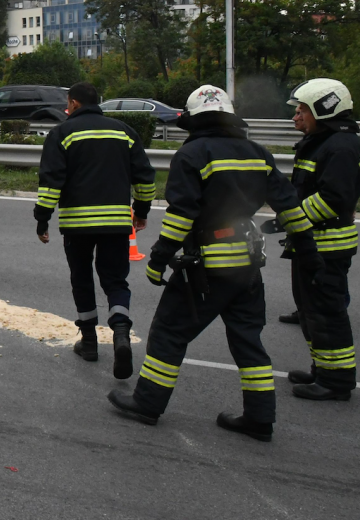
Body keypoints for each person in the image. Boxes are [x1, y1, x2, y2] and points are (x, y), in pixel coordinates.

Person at [108, 85, 322, 442]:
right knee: (248, 341)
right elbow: (291, 208)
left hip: (207, 266)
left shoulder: (193, 153)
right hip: (248, 264)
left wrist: (158, 259)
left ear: (193, 119)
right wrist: (309, 252)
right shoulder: (258, 152)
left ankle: (147, 403)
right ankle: (259, 417)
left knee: (169, 333)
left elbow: (182, 216)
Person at [35, 81, 156, 379]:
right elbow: (145, 176)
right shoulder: (124, 132)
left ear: (74, 103)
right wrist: (140, 212)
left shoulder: (61, 134)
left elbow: (51, 182)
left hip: (77, 224)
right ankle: (121, 334)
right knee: (116, 280)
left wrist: (42, 219)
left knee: (82, 278)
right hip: (116, 223)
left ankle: (89, 342)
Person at [278, 79, 360, 401]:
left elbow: (333, 199)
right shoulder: (321, 142)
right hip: (311, 244)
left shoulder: (341, 146)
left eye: (302, 111)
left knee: (327, 313)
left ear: (323, 109)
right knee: (310, 311)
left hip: (328, 246)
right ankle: (322, 368)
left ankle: (337, 381)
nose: (296, 117)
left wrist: (290, 218)